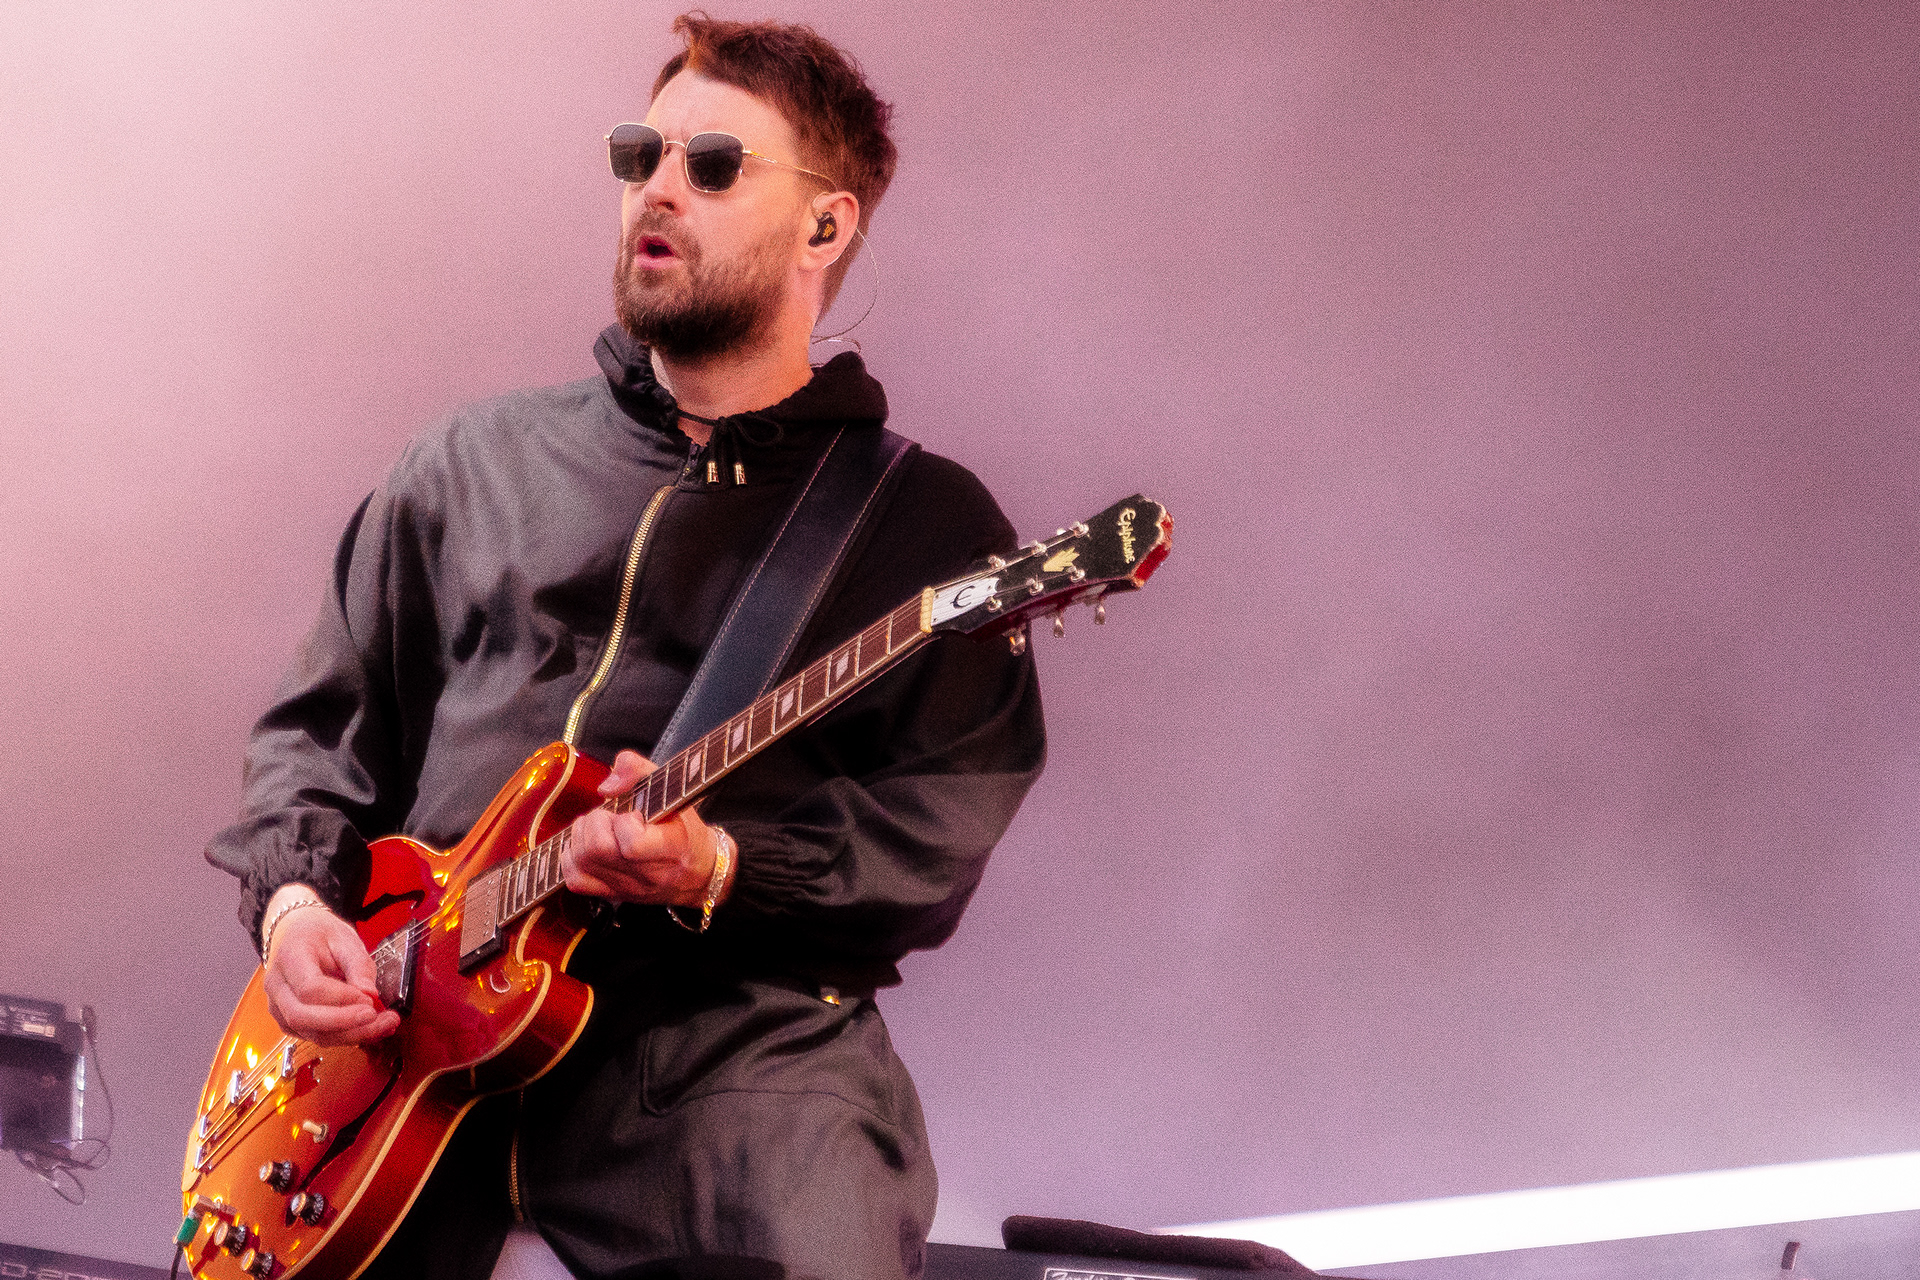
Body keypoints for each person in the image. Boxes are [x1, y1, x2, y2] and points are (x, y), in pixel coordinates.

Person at [204, 15, 1046, 1279]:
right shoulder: (471, 462)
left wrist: (719, 860)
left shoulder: (923, 526)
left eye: (713, 165)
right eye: (641, 153)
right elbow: (319, 734)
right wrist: (295, 908)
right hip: (395, 1077)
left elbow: (932, 833)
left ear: (825, 228)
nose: (656, 187)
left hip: (729, 1077)